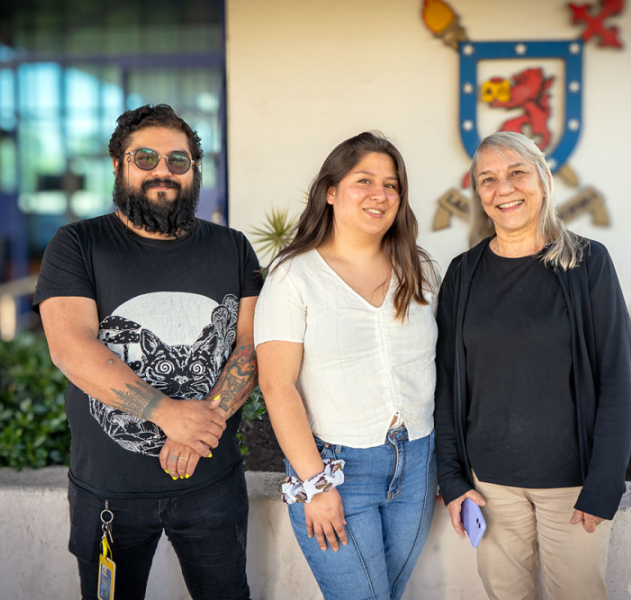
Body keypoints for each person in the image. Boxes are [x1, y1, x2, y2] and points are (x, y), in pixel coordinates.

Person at [35, 104, 261, 600]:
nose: (164, 170)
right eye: (147, 158)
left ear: (194, 171)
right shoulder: (78, 244)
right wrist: (165, 412)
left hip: (212, 484)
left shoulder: (233, 248)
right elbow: (71, 347)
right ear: (119, 166)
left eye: (178, 161)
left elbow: (250, 346)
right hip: (109, 494)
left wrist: (196, 427)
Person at [435, 131, 631, 600]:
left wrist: (605, 482)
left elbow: (617, 378)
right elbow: (445, 383)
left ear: (543, 180)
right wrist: (453, 477)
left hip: (573, 486)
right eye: (488, 179)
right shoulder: (462, 274)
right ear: (479, 194)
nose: (503, 188)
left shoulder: (588, 264)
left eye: (516, 173)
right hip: (490, 486)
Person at [254, 132, 439, 600]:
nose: (381, 194)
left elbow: (438, 369)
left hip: (417, 462)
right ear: (331, 192)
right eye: (365, 181)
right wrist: (315, 485)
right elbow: (277, 385)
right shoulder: (294, 275)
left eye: (392, 185)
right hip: (337, 468)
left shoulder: (417, 271)